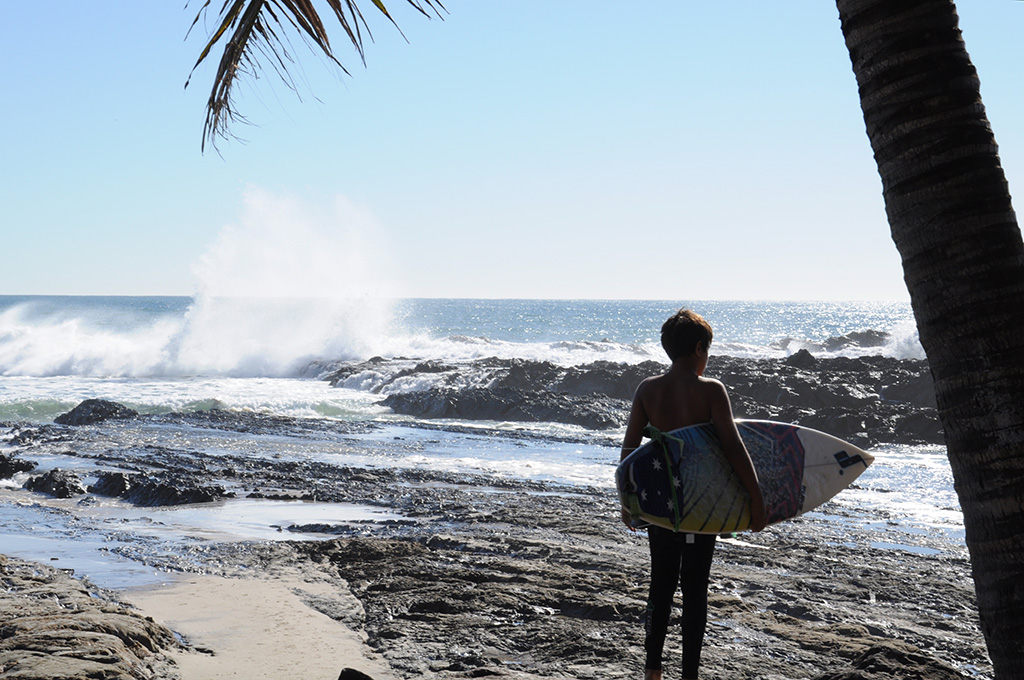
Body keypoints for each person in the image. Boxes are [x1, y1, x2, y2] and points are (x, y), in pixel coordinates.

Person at [620, 308, 767, 680]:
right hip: (701, 507)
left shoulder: (647, 390)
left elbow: (629, 452)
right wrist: (756, 497)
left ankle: (652, 671)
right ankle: (689, 676)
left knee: (661, 585)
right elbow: (733, 448)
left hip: (661, 506)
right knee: (696, 591)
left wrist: (628, 501)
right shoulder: (711, 390)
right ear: (699, 348)